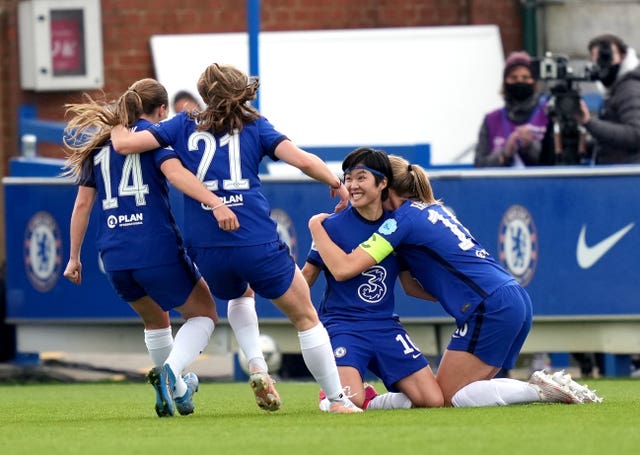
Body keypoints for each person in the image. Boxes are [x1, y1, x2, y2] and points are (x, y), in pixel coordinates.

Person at [110, 63, 362, 413]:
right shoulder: (255, 125)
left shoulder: (182, 124)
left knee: (240, 295)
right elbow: (302, 161)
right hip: (252, 237)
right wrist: (335, 183)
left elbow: (124, 144)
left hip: (207, 248)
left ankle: (253, 364)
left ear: (204, 95)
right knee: (305, 316)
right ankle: (336, 400)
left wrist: (122, 113)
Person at [308, 153, 603, 407]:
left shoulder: (400, 221)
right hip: (510, 296)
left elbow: (346, 268)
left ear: (386, 187)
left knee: (447, 398)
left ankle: (538, 390)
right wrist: (447, 289)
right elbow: (412, 287)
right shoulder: (432, 209)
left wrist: (316, 226)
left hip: (489, 306)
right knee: (456, 392)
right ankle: (541, 389)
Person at [62, 78, 240, 417]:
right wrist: (216, 203)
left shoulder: (99, 149)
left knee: (156, 321)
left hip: (113, 256)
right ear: (161, 110)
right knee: (204, 313)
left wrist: (73, 257)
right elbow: (176, 176)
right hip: (154, 248)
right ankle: (171, 374)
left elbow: (83, 206)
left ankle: (180, 391)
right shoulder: (154, 139)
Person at [301, 147, 444, 411]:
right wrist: (298, 313)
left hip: (384, 326)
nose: (352, 185)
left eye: (361, 177)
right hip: (342, 326)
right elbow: (307, 276)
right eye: (348, 178)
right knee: (349, 401)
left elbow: (409, 284)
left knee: (432, 400)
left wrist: (450, 296)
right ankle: (339, 395)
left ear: (383, 183)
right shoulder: (330, 226)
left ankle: (370, 399)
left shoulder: (400, 226)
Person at [474, 51, 550, 168]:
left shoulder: (548, 113)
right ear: (505, 82)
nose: (519, 81)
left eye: (525, 77)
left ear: (534, 82)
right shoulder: (491, 120)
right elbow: (479, 165)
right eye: (514, 78)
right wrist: (505, 154)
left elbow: (555, 162)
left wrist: (529, 146)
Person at [577, 33, 640, 164]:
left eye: (606, 57)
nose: (602, 65)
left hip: (627, 174)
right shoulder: (614, 89)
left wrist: (589, 122)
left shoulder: (629, 88)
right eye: (597, 60)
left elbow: (636, 135)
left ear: (623, 57)